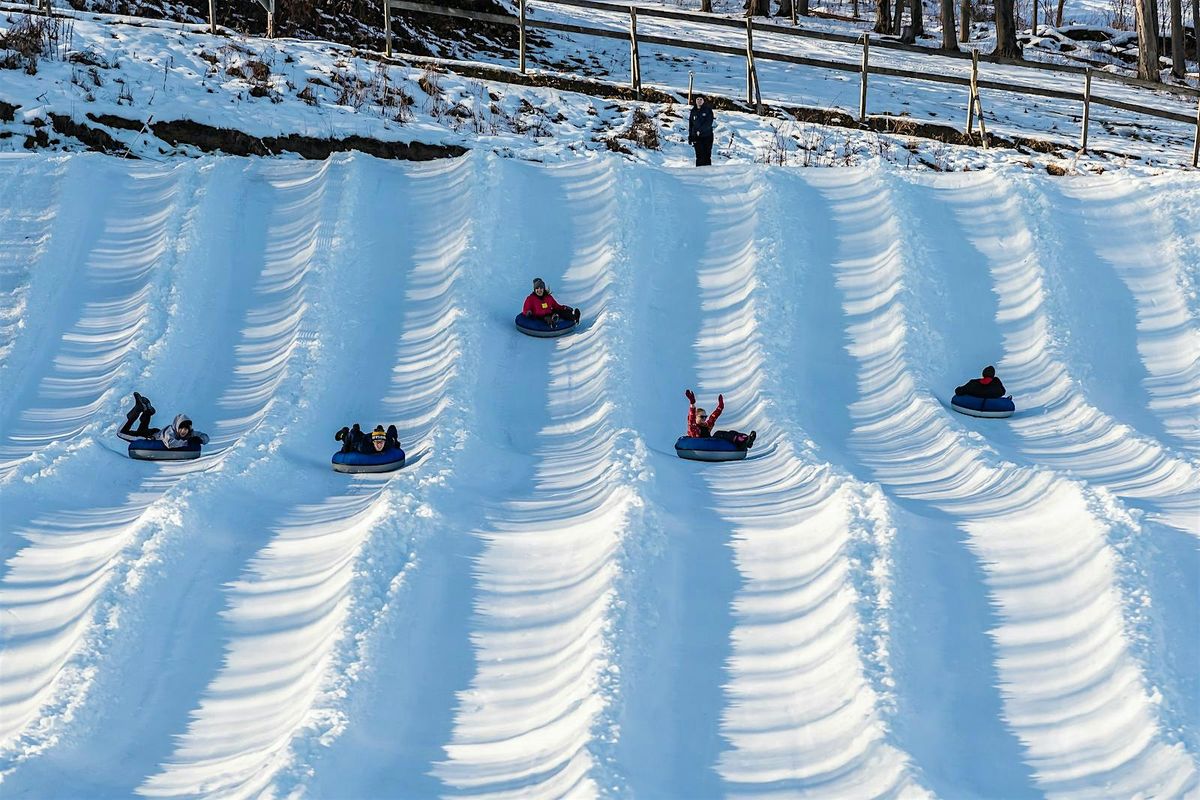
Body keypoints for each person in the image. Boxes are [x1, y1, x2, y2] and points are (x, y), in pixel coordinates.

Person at [117, 392, 209, 448]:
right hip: (149, 437)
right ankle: (137, 409)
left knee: (141, 431)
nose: (184, 431)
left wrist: (200, 439)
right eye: (181, 428)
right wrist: (187, 442)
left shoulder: (190, 433)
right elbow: (170, 443)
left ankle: (147, 412)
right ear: (177, 427)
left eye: (186, 429)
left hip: (155, 433)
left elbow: (205, 437)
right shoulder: (171, 431)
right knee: (121, 433)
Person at [684, 389, 756, 449]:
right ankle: (742, 441)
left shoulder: (706, 426)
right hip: (700, 446)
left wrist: (720, 407)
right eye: (701, 417)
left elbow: (713, 417)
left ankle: (746, 440)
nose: (704, 419)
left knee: (728, 433)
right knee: (718, 434)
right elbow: (691, 419)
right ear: (696, 417)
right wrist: (692, 404)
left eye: (705, 417)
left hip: (711, 444)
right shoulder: (694, 428)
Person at [335, 423, 402, 455]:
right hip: (362, 439)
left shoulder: (388, 443)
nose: (379, 445)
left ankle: (379, 430)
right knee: (354, 434)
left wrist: (396, 441)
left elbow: (392, 429)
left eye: (381, 442)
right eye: (377, 442)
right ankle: (344, 432)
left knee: (390, 430)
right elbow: (354, 443)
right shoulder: (364, 447)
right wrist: (346, 446)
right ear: (373, 442)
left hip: (376, 436)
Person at [688, 95, 715, 167]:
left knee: (706, 155)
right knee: (699, 155)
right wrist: (690, 136)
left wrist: (700, 130)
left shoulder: (708, 110)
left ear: (703, 101)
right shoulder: (693, 111)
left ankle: (708, 171)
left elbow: (709, 123)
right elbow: (691, 124)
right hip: (697, 137)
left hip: (707, 136)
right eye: (698, 99)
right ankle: (698, 172)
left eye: (701, 99)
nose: (699, 101)